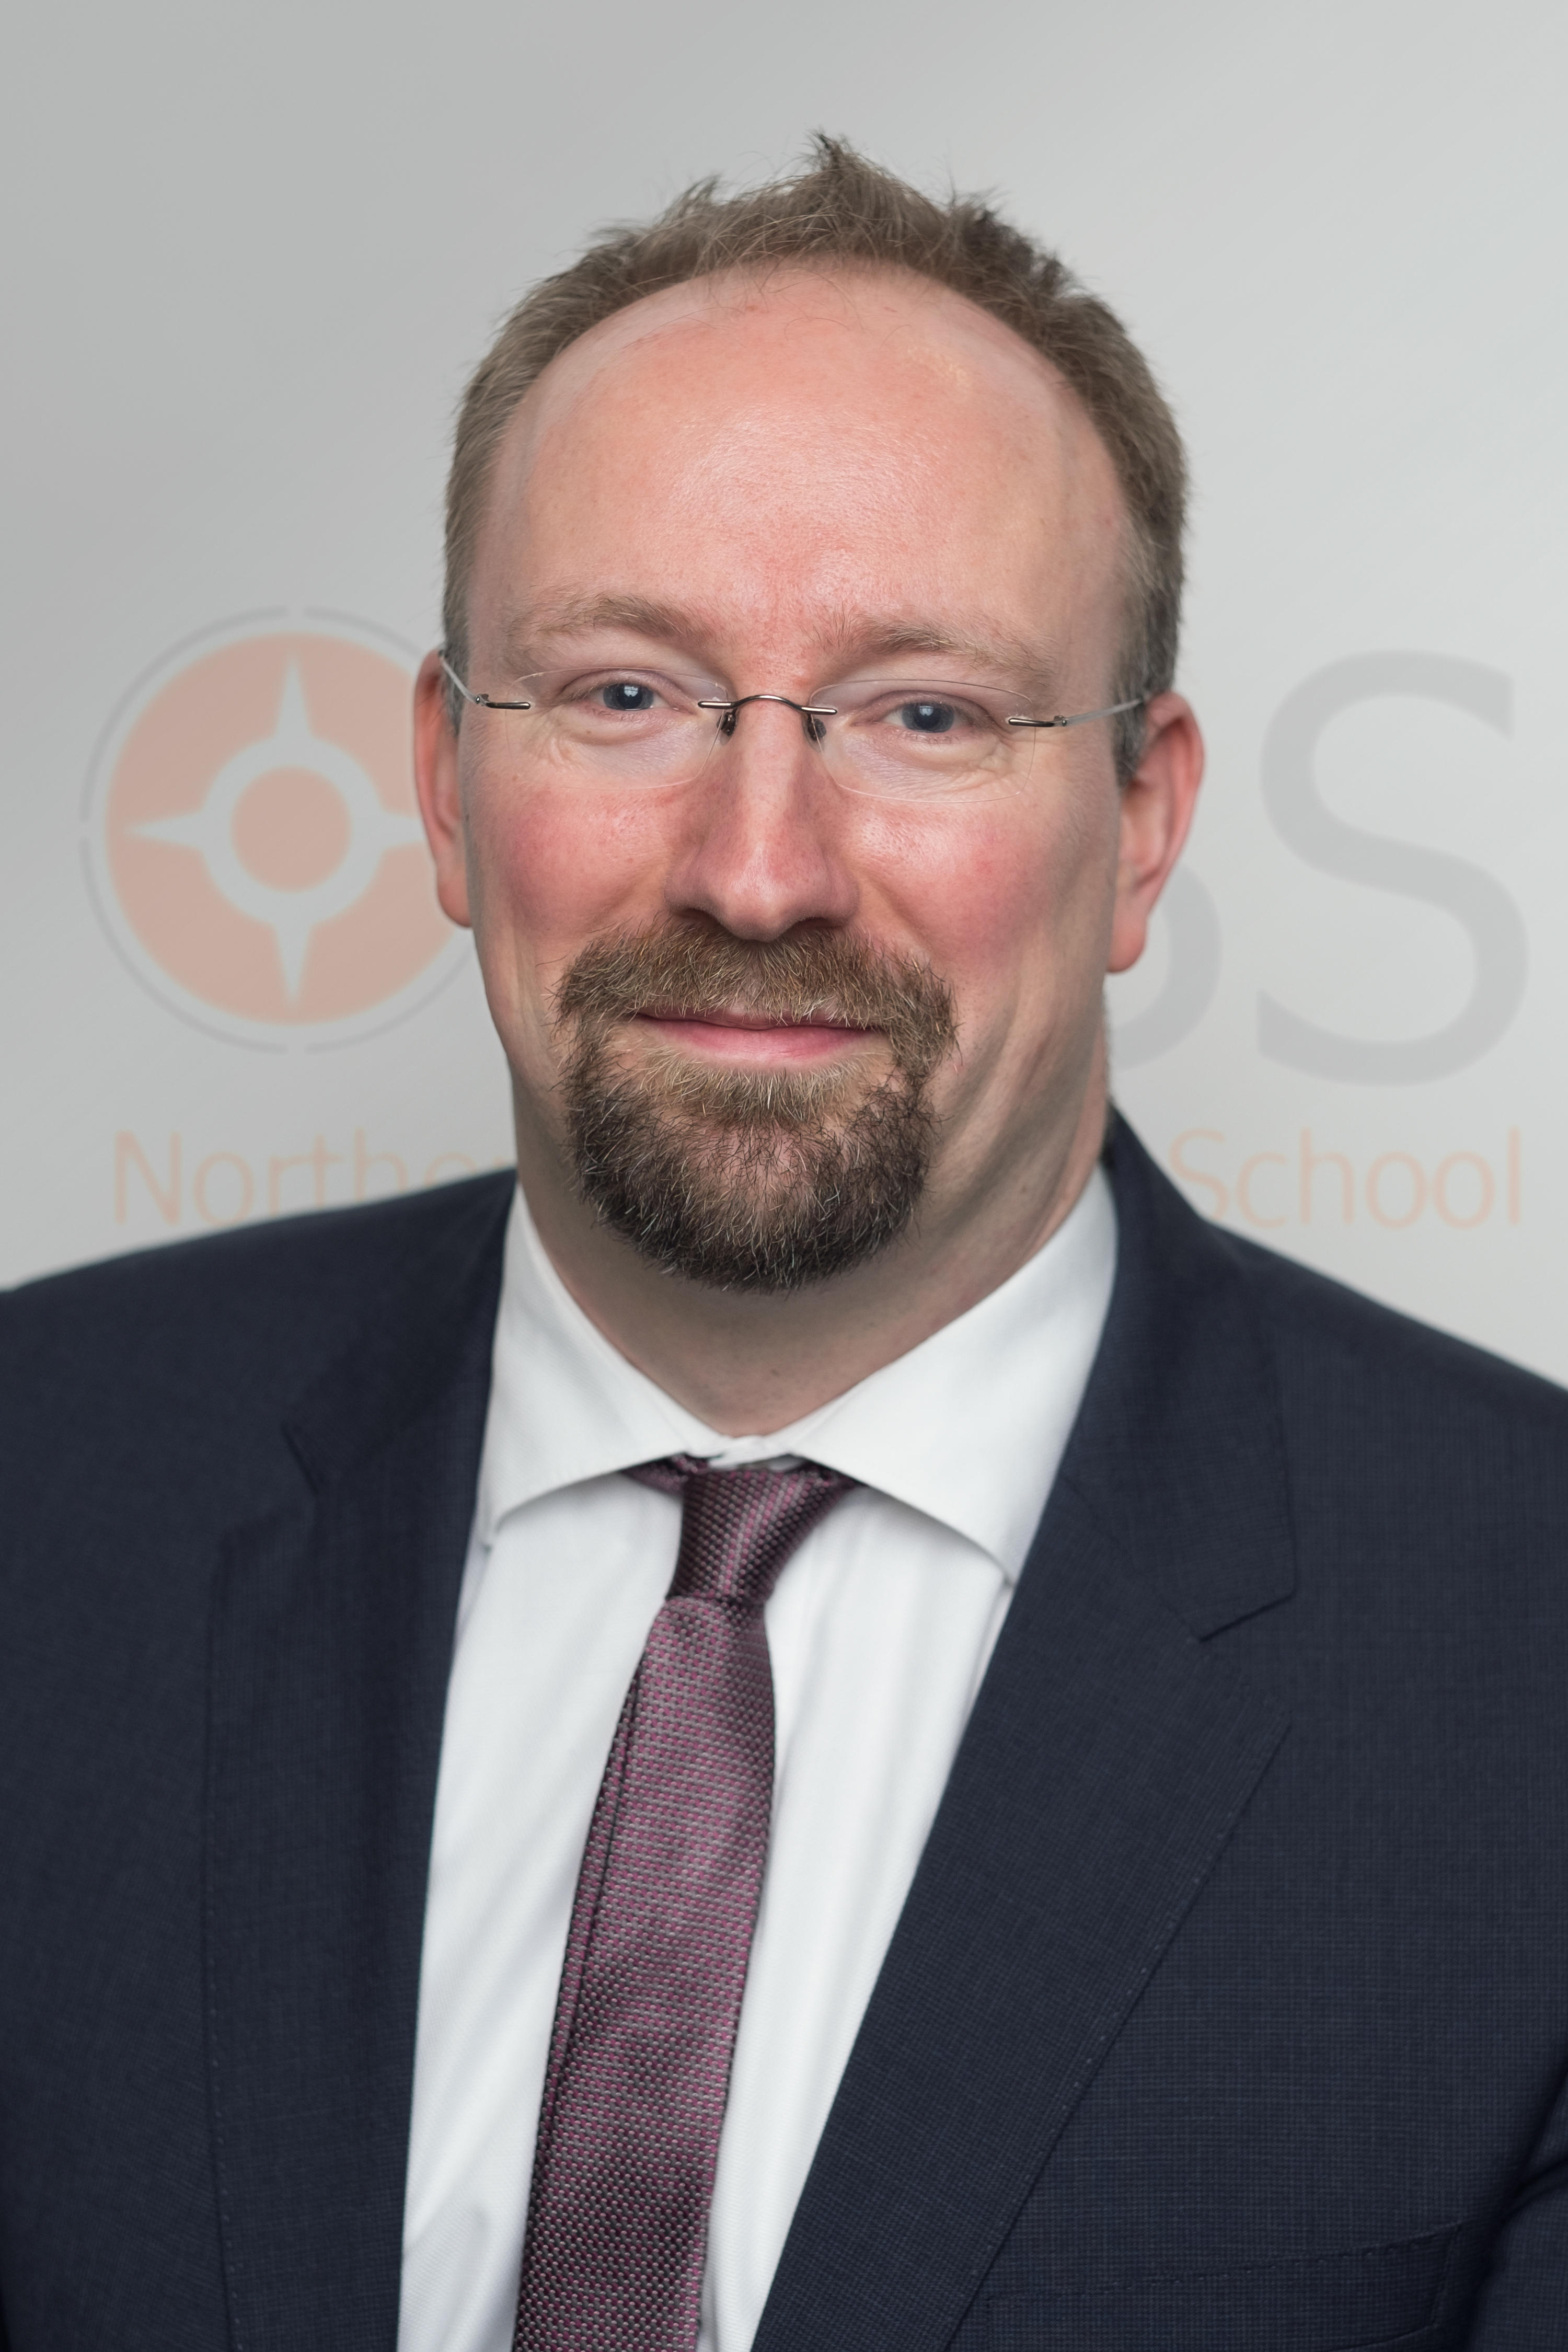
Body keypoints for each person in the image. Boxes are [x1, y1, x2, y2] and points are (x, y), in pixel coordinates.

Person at [2, 137, 1566, 2352]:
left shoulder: (1526, 1652)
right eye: (625, 694)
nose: (757, 872)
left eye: (927, 714)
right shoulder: (40, 1486)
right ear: (446, 786)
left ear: (1140, 823)